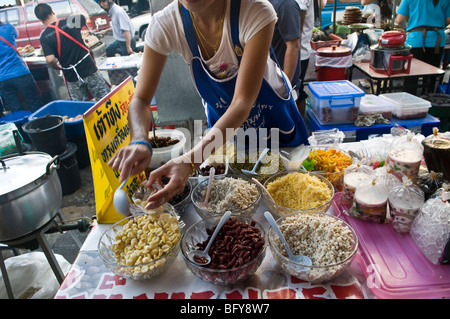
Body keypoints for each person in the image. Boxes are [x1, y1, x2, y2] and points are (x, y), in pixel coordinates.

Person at [108, 0, 310, 209]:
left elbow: (242, 103)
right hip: (226, 132)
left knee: (289, 197)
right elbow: (140, 100)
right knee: (241, 199)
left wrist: (189, 161)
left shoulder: (254, 10)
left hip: (276, 122)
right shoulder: (166, 24)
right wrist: (139, 140)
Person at [35, 4, 110, 101]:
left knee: (81, 107)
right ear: (53, 12)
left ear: (41, 20)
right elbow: (84, 16)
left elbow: (50, 59)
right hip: (88, 68)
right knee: (105, 99)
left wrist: (56, 67)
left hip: (71, 74)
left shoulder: (44, 36)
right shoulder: (70, 22)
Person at [396, 0, 450, 93]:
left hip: (416, 39)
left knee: (411, 75)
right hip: (436, 39)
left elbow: (400, 20)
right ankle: (429, 100)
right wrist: (437, 25)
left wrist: (405, 28)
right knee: (431, 75)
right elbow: (448, 19)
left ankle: (409, 100)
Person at [0, 22, 42, 113]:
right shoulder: (8, 28)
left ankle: (21, 127)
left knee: (16, 110)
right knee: (35, 104)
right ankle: (41, 126)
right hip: (19, 72)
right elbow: (16, 34)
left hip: (2, 79)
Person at [269, 0, 302, 106]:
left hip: (281, 83)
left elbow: (293, 46)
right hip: (269, 80)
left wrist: (285, 84)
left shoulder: (285, 4)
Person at [297, 0, 314, 117]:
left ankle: (298, 128)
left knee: (296, 92)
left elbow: (297, 32)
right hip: (295, 52)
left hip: (298, 54)